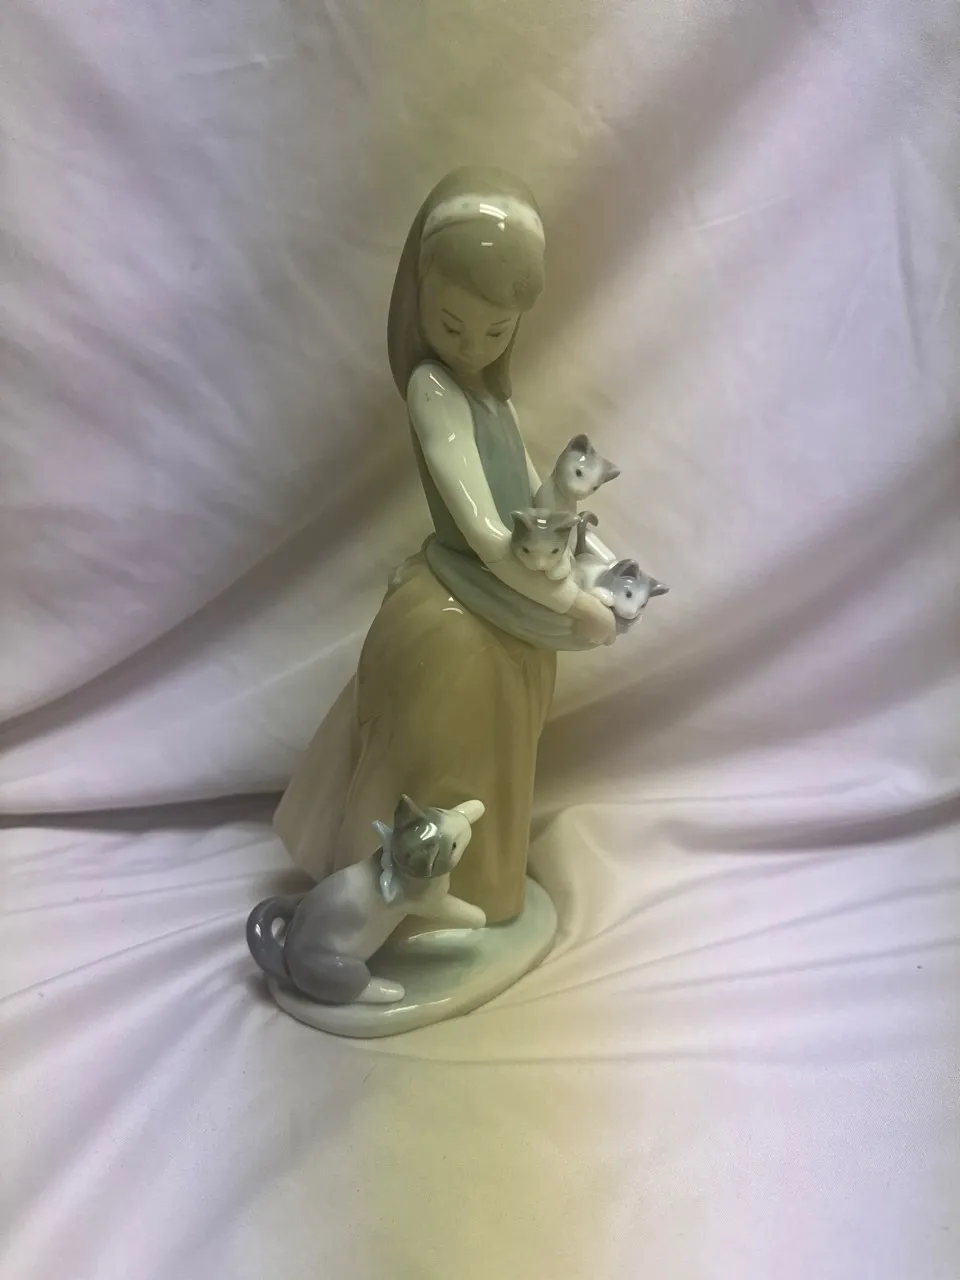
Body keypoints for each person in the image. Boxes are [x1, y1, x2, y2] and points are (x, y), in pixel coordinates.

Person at [274, 166, 619, 925]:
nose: (472, 346)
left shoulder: (492, 394)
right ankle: (411, 913)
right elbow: (491, 537)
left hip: (509, 607)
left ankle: (475, 901)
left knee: (491, 766)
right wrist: (573, 602)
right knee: (443, 764)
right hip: (460, 610)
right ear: (417, 298)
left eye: (496, 331)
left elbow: (533, 501)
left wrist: (587, 539)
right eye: (453, 324)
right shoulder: (433, 389)